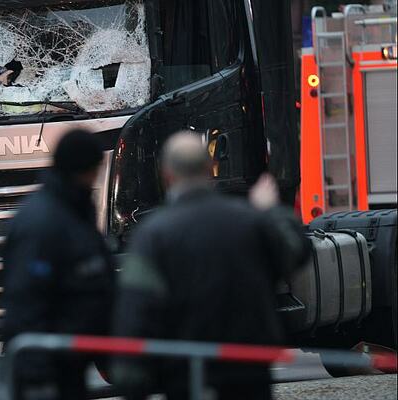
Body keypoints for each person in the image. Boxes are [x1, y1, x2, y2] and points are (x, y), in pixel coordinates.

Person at [112, 132, 310, 400]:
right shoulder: (248, 220)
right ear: (209, 169)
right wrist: (271, 211)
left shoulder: (153, 235)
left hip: (188, 376)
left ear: (167, 175)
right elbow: (297, 251)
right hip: (249, 371)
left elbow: (138, 308)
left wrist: (132, 378)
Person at [1, 129, 115, 400]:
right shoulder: (45, 222)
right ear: (85, 169)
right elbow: (26, 302)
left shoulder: (71, 211)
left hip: (67, 363)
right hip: (48, 370)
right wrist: (37, 378)